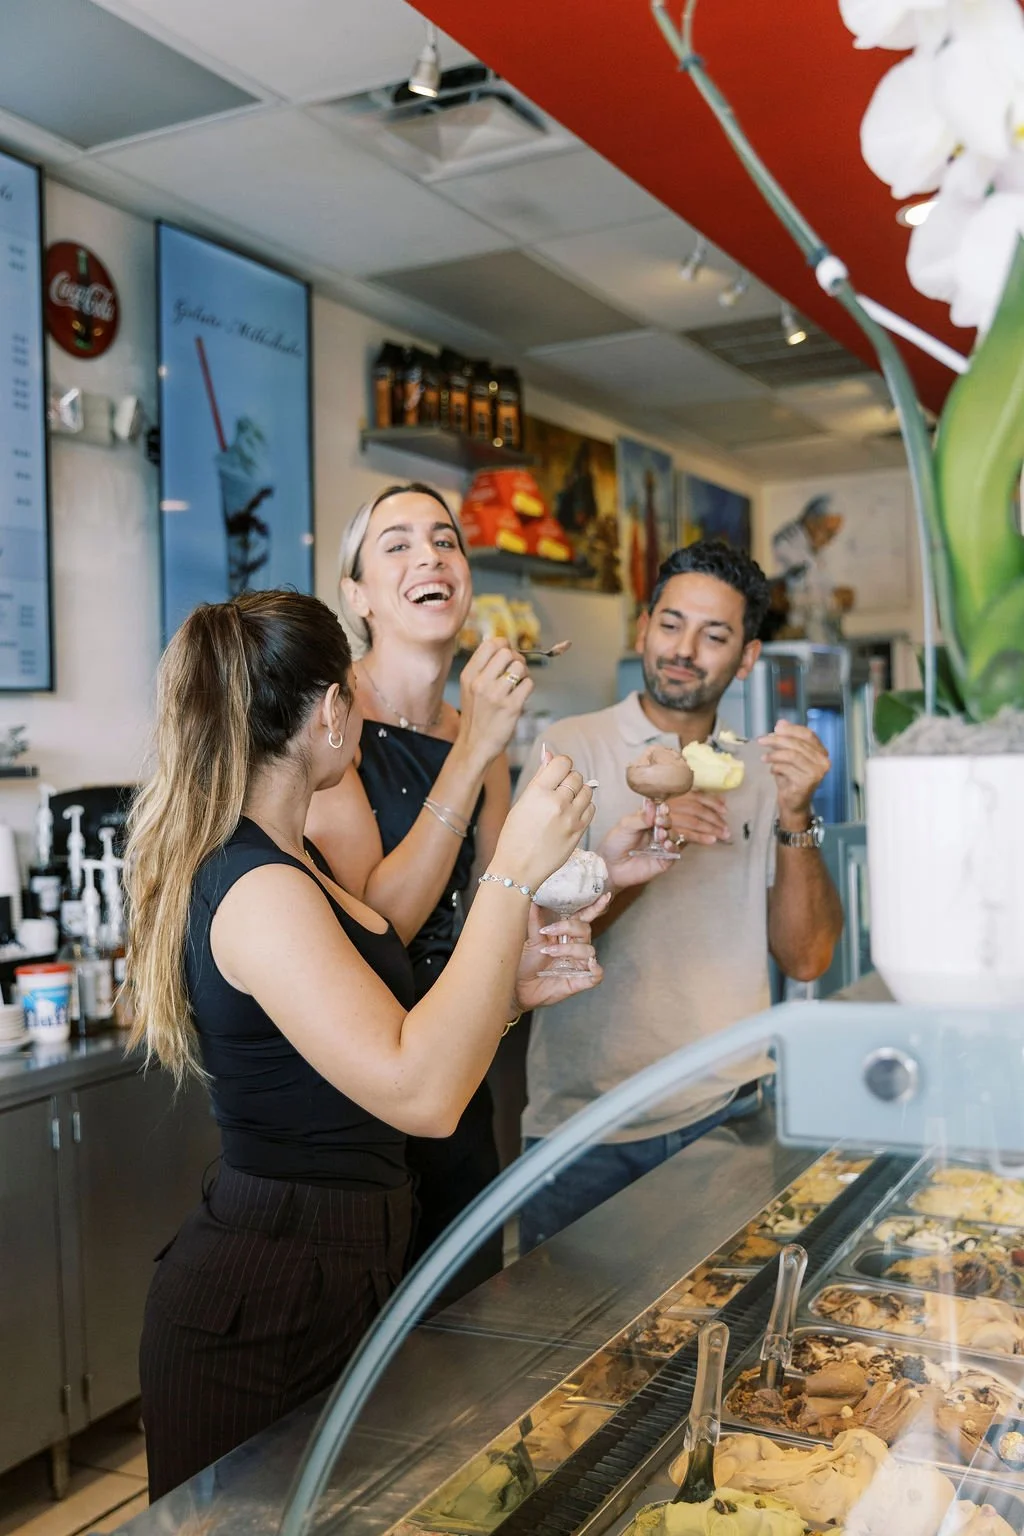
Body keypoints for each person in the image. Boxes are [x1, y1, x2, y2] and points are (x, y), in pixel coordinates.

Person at [125, 589, 602, 1497]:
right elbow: (416, 1091)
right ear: (331, 709)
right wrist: (514, 869)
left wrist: (505, 996)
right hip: (264, 1300)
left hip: (344, 1266)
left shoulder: (293, 855)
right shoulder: (256, 885)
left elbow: (388, 1053)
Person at [306, 482, 664, 1300]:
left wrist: (599, 869)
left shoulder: (480, 729)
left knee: (462, 1336)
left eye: (445, 541)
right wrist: (476, 745)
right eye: (396, 544)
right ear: (356, 595)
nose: (429, 556)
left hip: (464, 1070)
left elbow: (497, 911)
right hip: (372, 1086)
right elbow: (379, 923)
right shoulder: (330, 719)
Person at [516, 540, 844, 1252]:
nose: (684, 649)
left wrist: (796, 816)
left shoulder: (757, 769)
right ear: (643, 628)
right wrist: (639, 859)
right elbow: (522, 948)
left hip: (731, 1113)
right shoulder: (571, 749)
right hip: (588, 1129)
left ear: (747, 658)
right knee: (574, 1360)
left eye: (715, 634)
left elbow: (809, 956)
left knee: (733, 1347)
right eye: (671, 624)